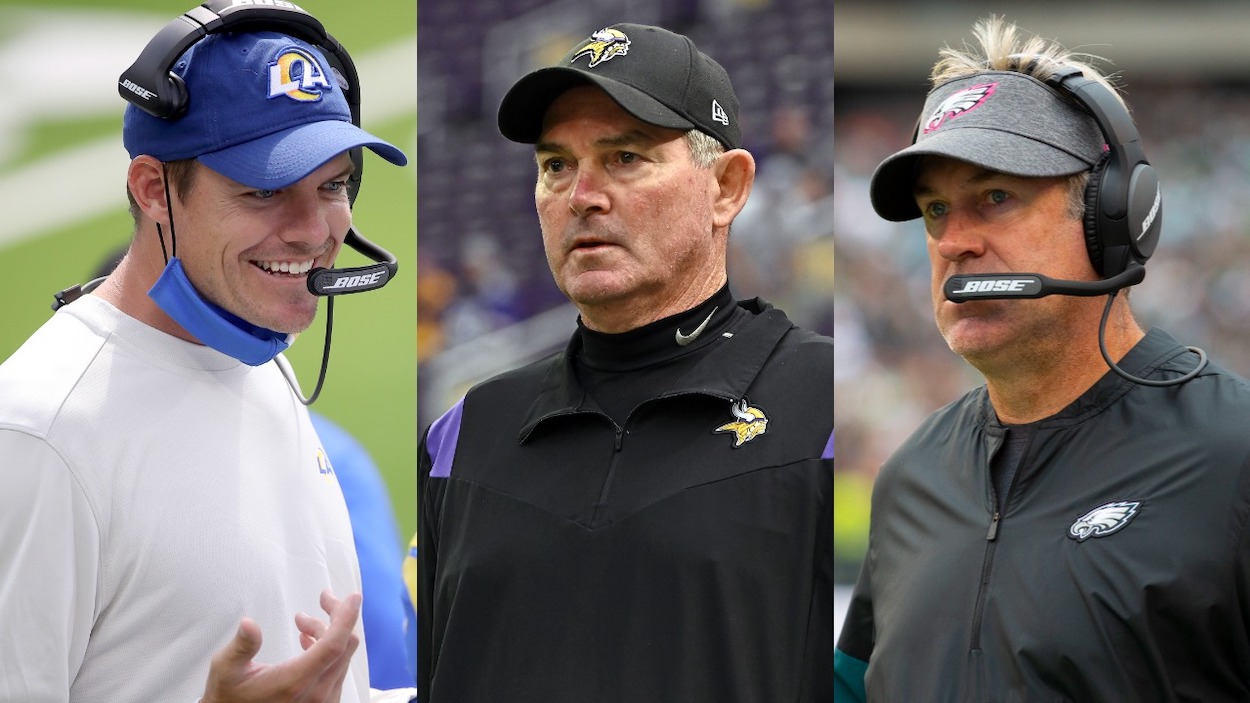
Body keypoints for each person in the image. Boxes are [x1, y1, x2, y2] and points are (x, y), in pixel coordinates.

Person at [0, 3, 417, 700]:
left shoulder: (252, 353)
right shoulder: (39, 435)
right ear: (151, 189)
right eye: (264, 190)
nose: (315, 231)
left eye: (335, 184)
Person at [412, 23, 834, 702]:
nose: (582, 196)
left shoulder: (820, 407)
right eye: (555, 165)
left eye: (625, 158)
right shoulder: (462, 432)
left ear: (726, 186)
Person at [835, 15, 1250, 702]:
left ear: (1112, 218)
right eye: (936, 211)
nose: (952, 242)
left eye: (996, 197)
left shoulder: (1235, 455)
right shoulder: (911, 478)